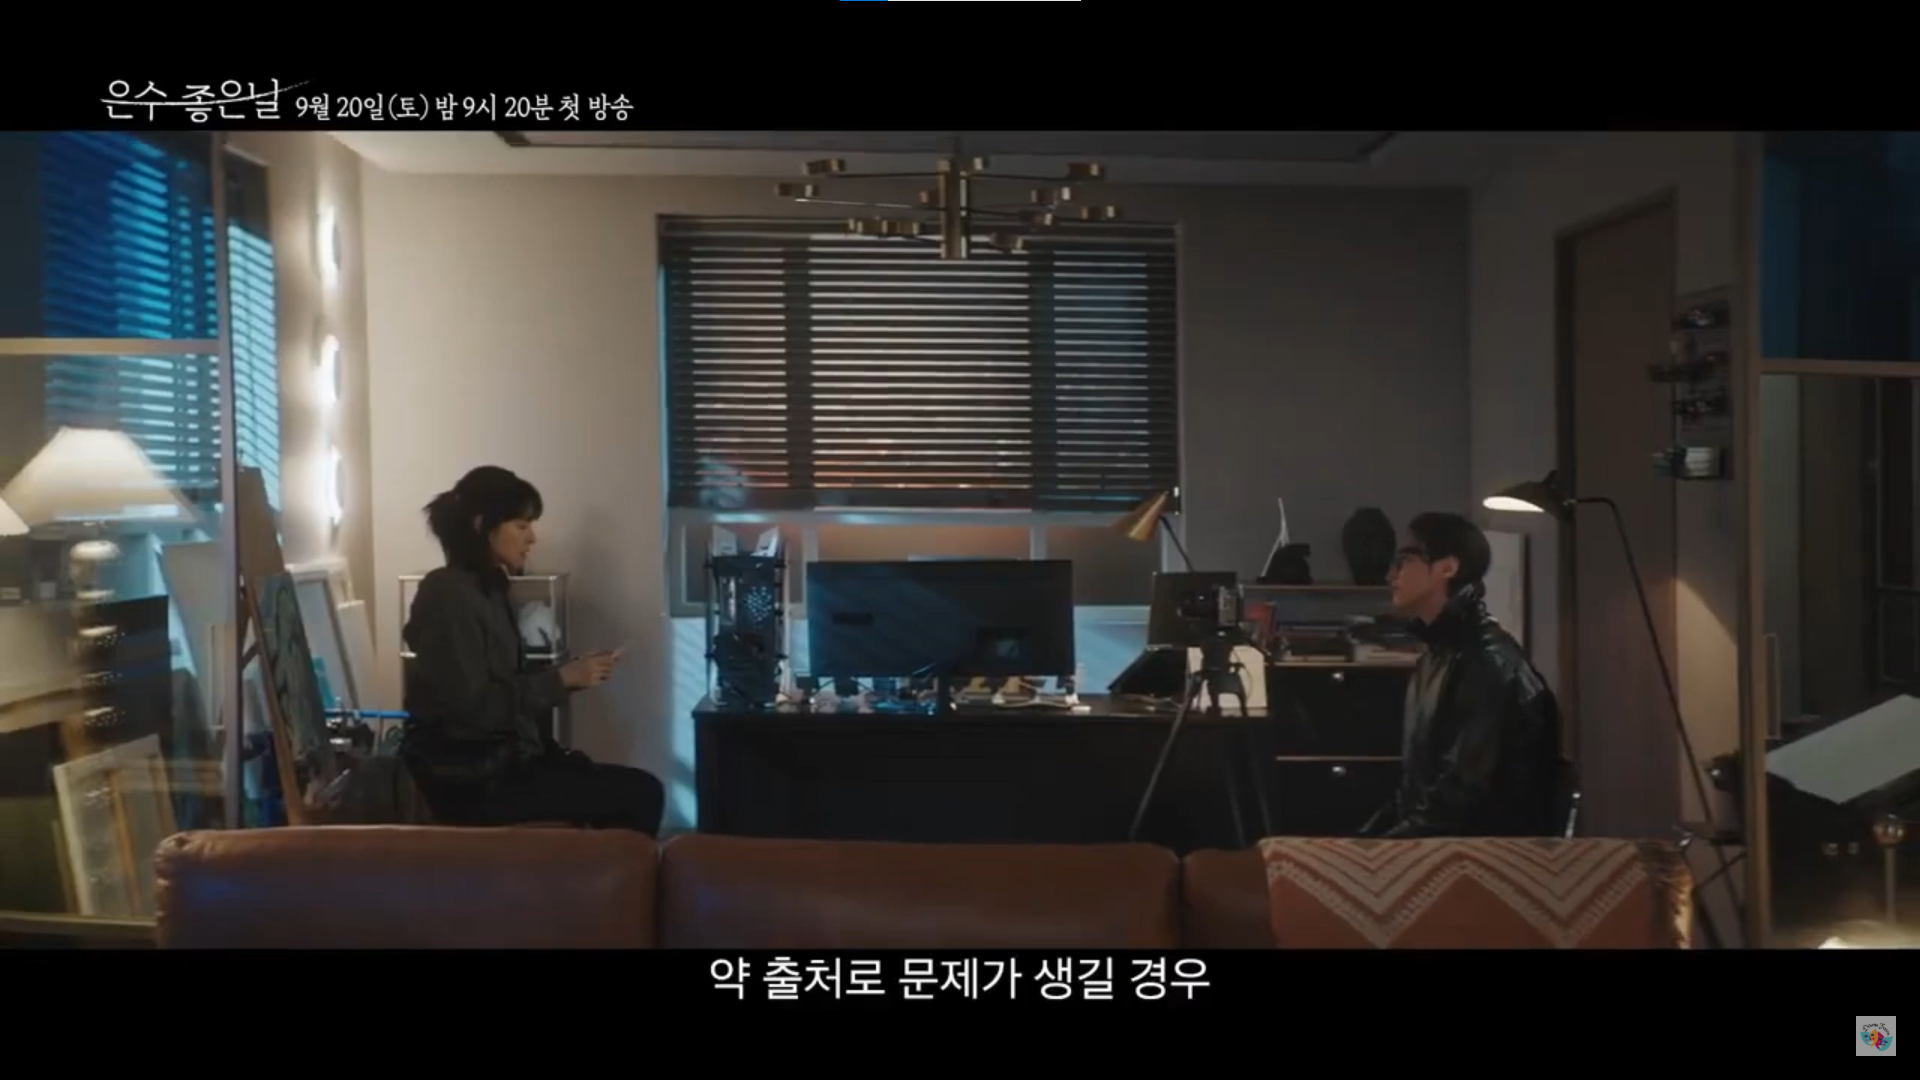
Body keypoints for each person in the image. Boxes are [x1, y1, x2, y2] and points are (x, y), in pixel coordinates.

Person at [401, 466, 664, 834]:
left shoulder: (490, 588)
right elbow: (473, 713)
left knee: (632, 785)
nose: (532, 538)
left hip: (508, 763)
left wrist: (574, 675)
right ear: (481, 525)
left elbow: (509, 687)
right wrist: (561, 679)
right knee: (641, 794)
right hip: (473, 782)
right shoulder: (448, 595)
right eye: (521, 526)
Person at [1362, 511, 1562, 838]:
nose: (1391, 574)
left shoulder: (1490, 665)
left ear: (1447, 567)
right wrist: (1359, 846)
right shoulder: (1435, 655)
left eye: (1405, 560)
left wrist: (1385, 852)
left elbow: (1461, 800)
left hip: (1484, 856)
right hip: (1434, 845)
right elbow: (1414, 791)